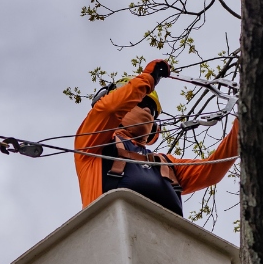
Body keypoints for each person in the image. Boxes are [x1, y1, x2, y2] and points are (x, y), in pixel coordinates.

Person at [74, 59, 239, 217]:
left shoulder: (165, 164)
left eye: (152, 110)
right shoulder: (92, 144)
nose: (147, 110)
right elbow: (108, 110)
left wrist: (243, 123)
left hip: (165, 242)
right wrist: (147, 80)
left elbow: (213, 169)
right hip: (112, 237)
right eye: (140, 102)